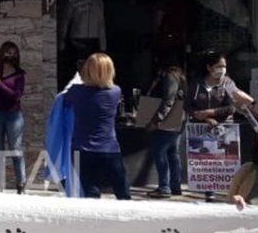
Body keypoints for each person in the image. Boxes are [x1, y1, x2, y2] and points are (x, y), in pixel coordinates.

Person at [62, 53, 130, 200]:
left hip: (81, 149)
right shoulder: (115, 92)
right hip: (109, 148)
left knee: (91, 193)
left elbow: (64, 103)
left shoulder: (76, 91)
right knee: (123, 193)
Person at [0, 41, 27, 194]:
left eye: (13, 53)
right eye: (7, 52)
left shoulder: (20, 74)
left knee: (16, 150)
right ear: (1, 53)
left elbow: (16, 96)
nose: (10, 55)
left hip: (13, 115)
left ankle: (21, 184)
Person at [146, 59, 186, 198]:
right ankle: (175, 185)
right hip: (177, 119)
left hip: (168, 121)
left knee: (160, 153)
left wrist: (156, 120)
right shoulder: (177, 76)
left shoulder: (170, 76)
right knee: (172, 153)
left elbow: (168, 100)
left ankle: (164, 186)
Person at [185, 52, 245, 126]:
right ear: (209, 67)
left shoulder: (228, 83)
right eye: (218, 66)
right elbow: (187, 105)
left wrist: (209, 112)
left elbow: (232, 107)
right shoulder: (196, 84)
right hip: (200, 128)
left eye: (224, 66)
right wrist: (204, 117)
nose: (222, 69)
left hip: (223, 128)